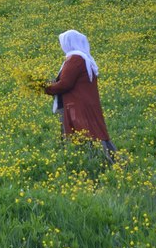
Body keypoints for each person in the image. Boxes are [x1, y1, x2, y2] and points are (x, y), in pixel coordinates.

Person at [44, 29, 117, 161]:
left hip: (77, 105)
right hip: (85, 103)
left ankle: (100, 162)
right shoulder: (82, 58)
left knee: (87, 135)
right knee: (95, 133)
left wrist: (44, 87)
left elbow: (65, 84)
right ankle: (112, 162)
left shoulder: (75, 59)